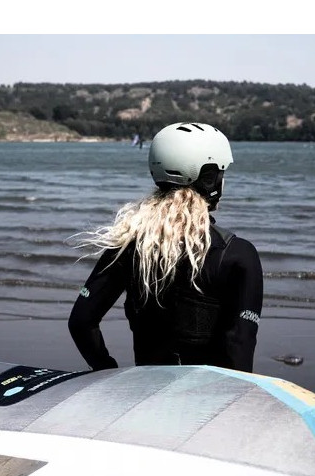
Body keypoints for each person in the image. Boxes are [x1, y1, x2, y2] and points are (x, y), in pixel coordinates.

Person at [68, 121, 263, 372]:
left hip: (148, 386)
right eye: (220, 173)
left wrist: (107, 371)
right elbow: (240, 346)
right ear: (209, 179)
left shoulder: (129, 244)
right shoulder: (237, 254)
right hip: (209, 392)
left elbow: (81, 322)